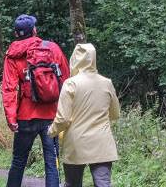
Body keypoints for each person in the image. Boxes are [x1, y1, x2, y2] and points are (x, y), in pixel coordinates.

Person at [2, 14, 70, 187]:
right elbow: (66, 81)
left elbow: (9, 89)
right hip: (51, 115)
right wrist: (64, 112)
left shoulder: (12, 55)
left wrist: (11, 118)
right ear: (34, 30)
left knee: (18, 162)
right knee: (51, 163)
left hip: (25, 117)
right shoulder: (51, 48)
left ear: (16, 34)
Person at [49, 43, 120, 187]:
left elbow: (63, 119)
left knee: (72, 184)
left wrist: (51, 131)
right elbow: (115, 114)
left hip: (76, 143)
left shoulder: (70, 84)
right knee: (103, 184)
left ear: (74, 59)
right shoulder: (107, 83)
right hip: (102, 142)